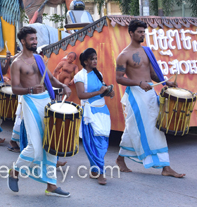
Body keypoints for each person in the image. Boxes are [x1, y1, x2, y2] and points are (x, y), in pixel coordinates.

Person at [6, 26, 72, 197]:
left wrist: (63, 85)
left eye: (35, 39)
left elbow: (50, 78)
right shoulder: (17, 63)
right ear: (23, 41)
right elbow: (14, 89)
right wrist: (29, 90)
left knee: (51, 144)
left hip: (46, 100)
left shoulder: (39, 59)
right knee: (35, 147)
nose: (35, 42)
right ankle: (15, 171)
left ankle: (51, 185)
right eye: (32, 39)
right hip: (30, 102)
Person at [115, 19, 184, 178]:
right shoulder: (123, 55)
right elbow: (119, 78)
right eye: (139, 32)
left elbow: (152, 75)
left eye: (143, 32)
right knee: (152, 128)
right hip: (136, 95)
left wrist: (166, 81)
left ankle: (120, 158)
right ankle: (166, 167)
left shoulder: (146, 51)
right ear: (131, 33)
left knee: (136, 127)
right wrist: (139, 83)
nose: (142, 35)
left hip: (151, 93)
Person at [74, 48, 115, 185]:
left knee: (102, 141)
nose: (95, 61)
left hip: (103, 111)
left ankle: (95, 168)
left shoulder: (99, 74)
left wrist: (109, 92)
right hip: (89, 113)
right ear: (85, 61)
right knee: (94, 143)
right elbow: (81, 95)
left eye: (96, 58)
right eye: (92, 59)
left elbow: (102, 92)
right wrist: (99, 91)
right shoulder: (80, 76)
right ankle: (100, 173)